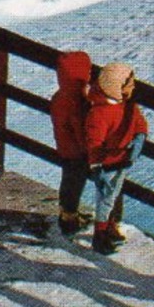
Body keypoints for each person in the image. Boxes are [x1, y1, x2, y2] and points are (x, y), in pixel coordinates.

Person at [83, 61, 148, 255]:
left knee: (111, 197)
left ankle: (107, 228)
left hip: (122, 161)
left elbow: (139, 124)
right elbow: (94, 143)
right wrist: (96, 167)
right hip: (107, 165)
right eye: (129, 84)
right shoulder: (100, 114)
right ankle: (100, 235)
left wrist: (139, 137)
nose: (133, 87)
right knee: (106, 199)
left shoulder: (128, 107)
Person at [50, 51, 93, 235]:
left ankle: (67, 214)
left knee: (69, 182)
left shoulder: (60, 96)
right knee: (75, 183)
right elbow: (79, 129)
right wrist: (89, 150)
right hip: (78, 152)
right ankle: (69, 220)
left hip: (64, 148)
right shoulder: (77, 101)